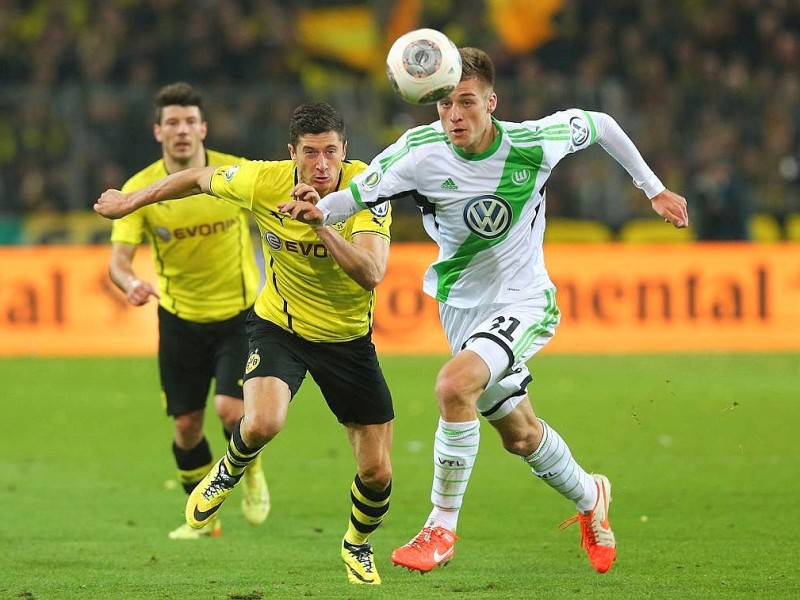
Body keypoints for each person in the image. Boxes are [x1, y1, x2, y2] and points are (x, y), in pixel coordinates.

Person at [281, 47, 689, 575]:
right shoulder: (417, 153)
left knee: (454, 387)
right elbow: (352, 197)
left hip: (523, 299)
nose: (455, 115)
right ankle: (592, 496)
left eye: (467, 102)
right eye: (445, 103)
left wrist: (653, 191)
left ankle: (441, 527)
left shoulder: (533, 143)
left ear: (491, 102)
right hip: (460, 308)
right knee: (520, 434)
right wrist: (317, 210)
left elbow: (602, 124)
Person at [95, 102, 394, 585]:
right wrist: (132, 202)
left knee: (377, 472)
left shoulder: (369, 187)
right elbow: (196, 179)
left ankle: (357, 544)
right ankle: (229, 470)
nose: (321, 165)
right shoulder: (262, 180)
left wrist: (319, 222)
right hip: (280, 324)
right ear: (291, 154)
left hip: (347, 339)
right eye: (310, 153)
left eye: (331, 153)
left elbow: (371, 274)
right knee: (261, 421)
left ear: (345, 152)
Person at [107, 82, 270, 540]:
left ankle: (251, 470)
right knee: (185, 425)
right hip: (179, 319)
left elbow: (275, 216)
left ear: (204, 128)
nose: (182, 131)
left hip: (239, 314)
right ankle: (205, 520)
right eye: (172, 123)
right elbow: (118, 264)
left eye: (189, 122)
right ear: (158, 132)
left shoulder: (232, 174)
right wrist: (132, 284)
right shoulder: (141, 190)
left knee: (228, 409)